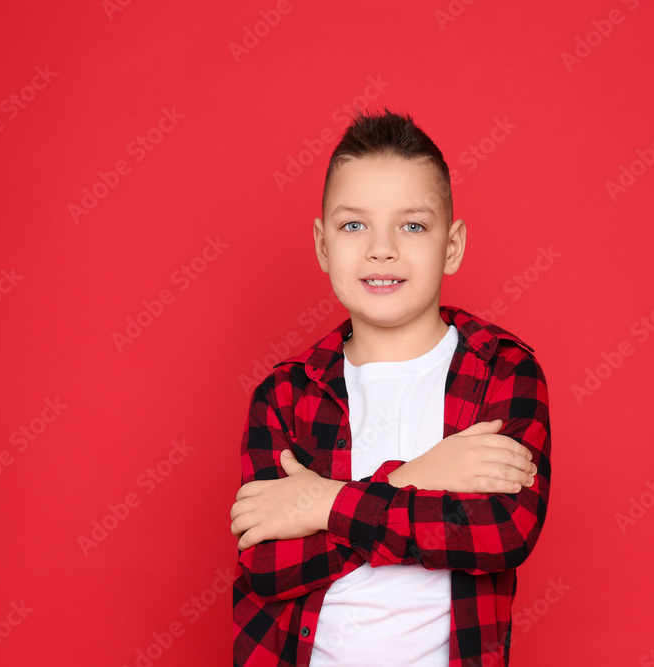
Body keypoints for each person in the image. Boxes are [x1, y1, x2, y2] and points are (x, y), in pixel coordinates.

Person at [230, 108, 551, 666]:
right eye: (354, 225)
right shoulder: (284, 394)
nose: (382, 249)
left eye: (413, 225)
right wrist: (417, 477)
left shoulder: (502, 372)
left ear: (451, 246)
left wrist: (322, 502)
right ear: (322, 243)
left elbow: (502, 532)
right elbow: (268, 566)